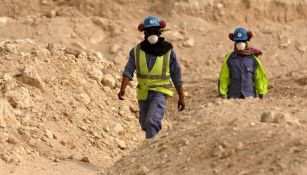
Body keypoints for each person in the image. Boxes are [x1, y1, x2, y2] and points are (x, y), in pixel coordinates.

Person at [118, 16, 185, 139]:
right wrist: (122, 88)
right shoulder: (136, 51)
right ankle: (156, 147)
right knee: (144, 123)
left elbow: (176, 73)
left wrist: (181, 96)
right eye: (149, 31)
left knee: (151, 121)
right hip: (143, 93)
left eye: (155, 30)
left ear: (160, 32)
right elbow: (128, 70)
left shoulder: (168, 50)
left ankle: (151, 152)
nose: (152, 34)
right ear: (145, 32)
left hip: (160, 92)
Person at [218, 27, 268, 99]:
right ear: (235, 42)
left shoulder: (253, 59)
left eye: (243, 41)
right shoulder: (229, 58)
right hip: (233, 97)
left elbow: (259, 77)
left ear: (246, 41)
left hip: (250, 96)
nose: (240, 43)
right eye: (238, 41)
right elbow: (224, 77)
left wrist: (261, 92)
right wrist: (222, 93)